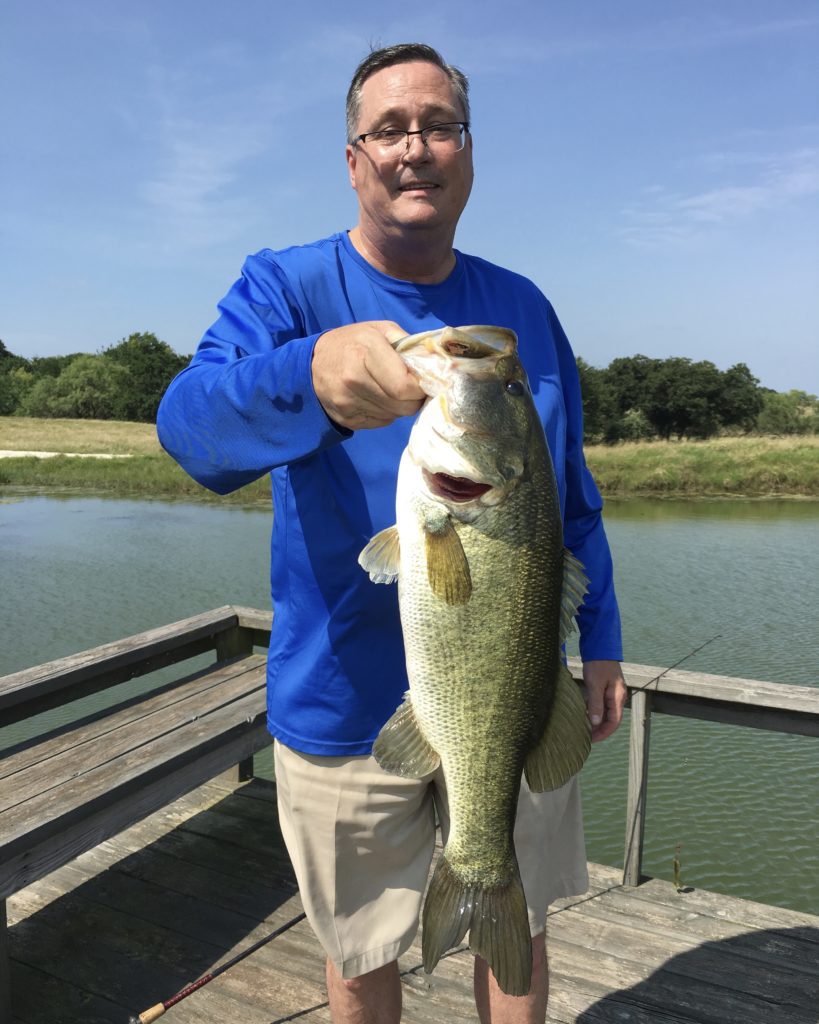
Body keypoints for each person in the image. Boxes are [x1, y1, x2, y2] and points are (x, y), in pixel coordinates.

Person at [157, 42, 626, 1024]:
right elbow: (191, 428)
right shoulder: (285, 288)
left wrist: (606, 642)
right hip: (338, 703)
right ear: (354, 157)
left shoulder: (526, 310)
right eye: (390, 129)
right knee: (362, 950)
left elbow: (571, 498)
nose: (416, 147)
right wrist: (313, 376)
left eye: (439, 126)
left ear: (468, 149)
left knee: (517, 925)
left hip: (518, 685)